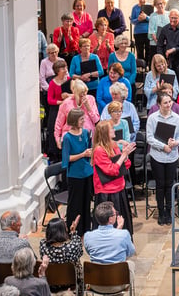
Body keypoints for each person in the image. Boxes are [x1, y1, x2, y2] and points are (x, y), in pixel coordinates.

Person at [83, 202, 136, 296]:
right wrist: (119, 230)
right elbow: (131, 252)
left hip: (95, 283)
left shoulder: (88, 236)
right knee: (129, 264)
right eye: (115, 213)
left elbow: (89, 252)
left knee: (105, 265)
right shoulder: (123, 234)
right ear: (111, 219)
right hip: (118, 283)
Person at [91, 120, 136, 233]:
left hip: (119, 188)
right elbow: (111, 170)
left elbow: (125, 166)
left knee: (122, 219)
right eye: (111, 128)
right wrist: (123, 155)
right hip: (107, 193)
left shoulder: (114, 145)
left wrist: (125, 156)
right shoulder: (99, 150)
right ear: (105, 132)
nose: (114, 130)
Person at [146, 93, 179, 225]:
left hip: (172, 156)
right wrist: (163, 146)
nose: (169, 105)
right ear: (159, 105)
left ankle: (169, 210)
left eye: (170, 102)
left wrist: (175, 143)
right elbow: (149, 138)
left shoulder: (177, 118)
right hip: (158, 156)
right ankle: (161, 212)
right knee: (160, 185)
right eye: (165, 103)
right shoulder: (153, 118)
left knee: (170, 185)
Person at [60, 108, 94, 236]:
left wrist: (90, 153)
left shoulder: (85, 132)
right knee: (75, 203)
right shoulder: (67, 138)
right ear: (74, 120)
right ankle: (73, 230)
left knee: (86, 202)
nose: (84, 121)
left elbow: (88, 148)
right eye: (81, 119)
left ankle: (86, 228)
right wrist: (82, 154)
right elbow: (66, 158)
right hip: (75, 174)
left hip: (87, 172)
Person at [40, 216, 85, 296]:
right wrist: (73, 232)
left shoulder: (43, 246)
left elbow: (45, 241)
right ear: (63, 231)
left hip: (52, 284)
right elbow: (79, 251)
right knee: (77, 262)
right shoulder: (72, 247)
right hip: (70, 284)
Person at [54, 79, 100, 150]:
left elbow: (96, 120)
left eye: (85, 93)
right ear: (74, 93)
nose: (84, 96)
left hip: (89, 136)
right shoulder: (66, 103)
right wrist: (58, 139)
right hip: (71, 137)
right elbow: (58, 124)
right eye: (81, 94)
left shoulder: (91, 99)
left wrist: (88, 107)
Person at [157, 8, 179, 83]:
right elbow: (159, 45)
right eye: (171, 17)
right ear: (169, 18)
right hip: (168, 60)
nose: (173, 20)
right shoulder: (164, 29)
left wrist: (174, 49)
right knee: (168, 81)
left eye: (175, 18)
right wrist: (162, 58)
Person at [46, 58, 71, 161]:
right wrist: (60, 102)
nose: (65, 70)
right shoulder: (52, 83)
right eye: (62, 68)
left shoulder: (69, 80)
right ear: (57, 70)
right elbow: (49, 99)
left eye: (65, 67)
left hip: (67, 109)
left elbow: (75, 94)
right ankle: (55, 153)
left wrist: (68, 96)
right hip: (56, 110)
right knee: (54, 129)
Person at [108, 35, 137, 102]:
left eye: (125, 43)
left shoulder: (131, 55)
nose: (123, 45)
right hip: (115, 83)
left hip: (129, 82)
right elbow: (109, 71)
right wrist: (116, 82)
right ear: (118, 44)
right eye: (121, 43)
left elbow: (134, 72)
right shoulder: (112, 56)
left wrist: (128, 83)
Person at [130, 0, 151, 66]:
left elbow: (152, 19)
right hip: (138, 32)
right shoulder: (135, 8)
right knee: (139, 51)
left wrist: (146, 17)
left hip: (148, 32)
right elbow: (132, 21)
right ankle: (141, 67)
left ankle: (148, 67)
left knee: (148, 50)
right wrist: (138, 19)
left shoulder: (149, 6)